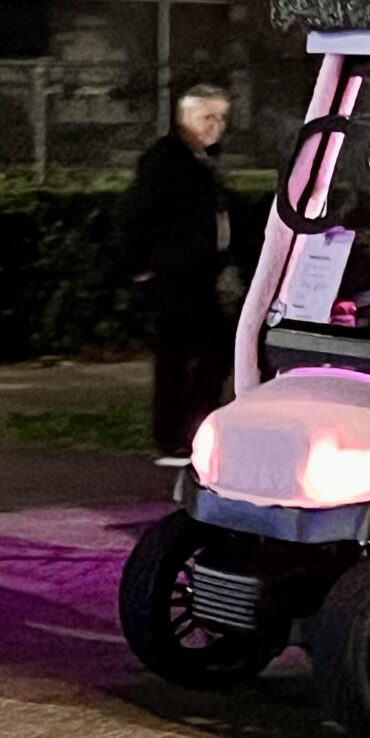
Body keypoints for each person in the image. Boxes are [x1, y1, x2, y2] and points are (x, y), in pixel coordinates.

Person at [125, 83, 236, 457]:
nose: (215, 126)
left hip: (198, 274)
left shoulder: (199, 160)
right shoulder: (167, 160)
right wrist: (144, 269)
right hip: (176, 276)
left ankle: (190, 428)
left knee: (206, 351)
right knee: (184, 355)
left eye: (221, 118)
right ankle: (177, 434)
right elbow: (138, 214)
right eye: (207, 117)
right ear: (184, 117)